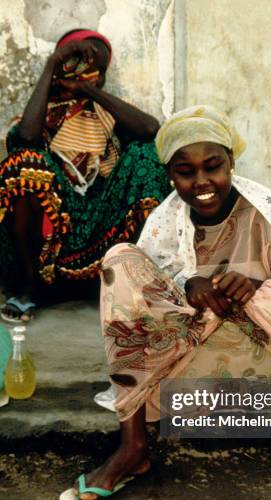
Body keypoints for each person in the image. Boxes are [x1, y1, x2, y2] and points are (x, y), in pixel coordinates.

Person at [60, 105, 271, 500]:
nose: (202, 181)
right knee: (119, 262)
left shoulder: (263, 212)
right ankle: (132, 448)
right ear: (170, 174)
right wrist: (187, 284)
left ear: (232, 163)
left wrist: (257, 288)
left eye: (213, 166)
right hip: (189, 363)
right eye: (186, 171)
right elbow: (147, 305)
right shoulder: (163, 223)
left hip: (267, 359)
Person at [0, 29, 169, 322]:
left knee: (146, 154)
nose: (85, 73)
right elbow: (27, 138)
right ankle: (29, 287)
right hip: (49, 234)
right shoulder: (38, 115)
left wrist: (88, 91)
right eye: (77, 63)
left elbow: (150, 130)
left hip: (98, 226)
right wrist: (51, 66)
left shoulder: (105, 114)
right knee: (24, 162)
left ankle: (137, 281)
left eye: (96, 70)